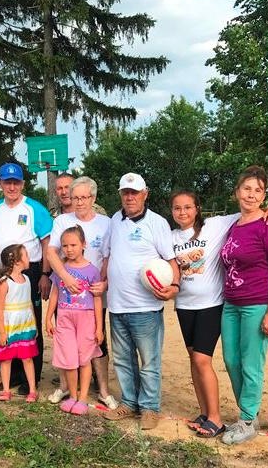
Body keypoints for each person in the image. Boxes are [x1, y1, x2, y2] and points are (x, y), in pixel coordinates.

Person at [170, 190, 268, 439]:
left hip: (211, 304)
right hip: (184, 305)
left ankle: (216, 418)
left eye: (188, 207)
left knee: (202, 359)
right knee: (193, 359)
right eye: (177, 208)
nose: (183, 212)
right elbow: (171, 266)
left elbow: (251, 210)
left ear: (197, 208)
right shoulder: (171, 236)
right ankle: (204, 411)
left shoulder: (215, 224)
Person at [102, 173, 180, 430]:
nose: (130, 197)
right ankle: (129, 402)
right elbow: (107, 257)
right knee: (123, 360)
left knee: (148, 363)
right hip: (117, 305)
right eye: (126, 192)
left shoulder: (157, 223)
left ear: (145, 194)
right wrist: (103, 283)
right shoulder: (114, 220)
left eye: (135, 192)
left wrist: (174, 286)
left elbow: (171, 261)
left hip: (145, 307)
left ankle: (149, 408)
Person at [218, 166, 268, 446]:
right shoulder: (233, 225)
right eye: (247, 188)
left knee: (251, 363)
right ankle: (249, 413)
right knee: (231, 360)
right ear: (237, 192)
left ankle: (247, 420)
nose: (251, 194)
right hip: (232, 303)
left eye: (258, 190)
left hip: (258, 303)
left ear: (264, 196)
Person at [45, 176, 117, 409]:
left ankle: (103, 390)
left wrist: (104, 281)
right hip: (66, 296)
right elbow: (52, 252)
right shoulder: (62, 220)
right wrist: (64, 277)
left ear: (93, 198)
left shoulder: (105, 222)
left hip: (93, 294)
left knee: (97, 340)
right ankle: (67, 388)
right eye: (75, 197)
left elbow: (107, 256)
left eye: (84, 197)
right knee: (67, 344)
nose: (79, 202)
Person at [0, 162, 53, 395]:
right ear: (0, 183)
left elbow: (46, 243)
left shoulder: (34, 208)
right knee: (4, 321)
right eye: (7, 182)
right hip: (0, 272)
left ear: (23, 183)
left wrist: (44, 274)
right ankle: (10, 375)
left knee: (28, 322)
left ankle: (29, 377)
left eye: (16, 182)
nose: (11, 186)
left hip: (29, 272)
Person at [45, 226, 104, 416]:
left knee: (84, 358)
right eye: (65, 246)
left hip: (86, 318)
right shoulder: (61, 269)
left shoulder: (92, 270)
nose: (69, 249)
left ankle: (83, 398)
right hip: (64, 317)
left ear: (83, 244)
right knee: (69, 359)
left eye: (73, 244)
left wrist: (99, 328)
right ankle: (72, 395)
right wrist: (48, 318)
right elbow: (55, 293)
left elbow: (97, 299)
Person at [0, 244, 39, 403]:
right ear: (17, 261)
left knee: (27, 357)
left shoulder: (28, 279)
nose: (29, 258)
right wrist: (2, 332)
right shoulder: (4, 282)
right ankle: (5, 389)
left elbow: (30, 303)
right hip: (9, 324)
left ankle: (32, 389)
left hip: (25, 323)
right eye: (26, 255)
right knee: (6, 358)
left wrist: (35, 326)